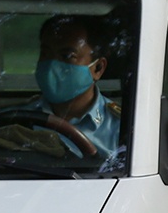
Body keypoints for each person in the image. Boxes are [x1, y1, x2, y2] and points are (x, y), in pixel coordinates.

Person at [21, 14, 121, 159]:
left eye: (67, 56)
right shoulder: (14, 120)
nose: (51, 65)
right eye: (45, 54)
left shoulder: (122, 128)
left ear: (98, 68)